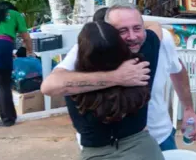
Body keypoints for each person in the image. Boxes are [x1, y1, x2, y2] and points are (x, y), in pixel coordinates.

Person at [43, 5, 196, 152]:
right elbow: (51, 86)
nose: (132, 37)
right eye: (122, 30)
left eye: (137, 28)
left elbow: (177, 69)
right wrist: (117, 77)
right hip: (104, 148)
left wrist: (188, 109)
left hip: (159, 137)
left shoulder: (158, 39)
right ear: (108, 32)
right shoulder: (92, 49)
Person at [67, 21, 164, 159]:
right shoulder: (140, 68)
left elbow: (49, 86)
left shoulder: (71, 83)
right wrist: (135, 24)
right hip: (141, 148)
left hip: (96, 152)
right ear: (120, 46)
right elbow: (156, 27)